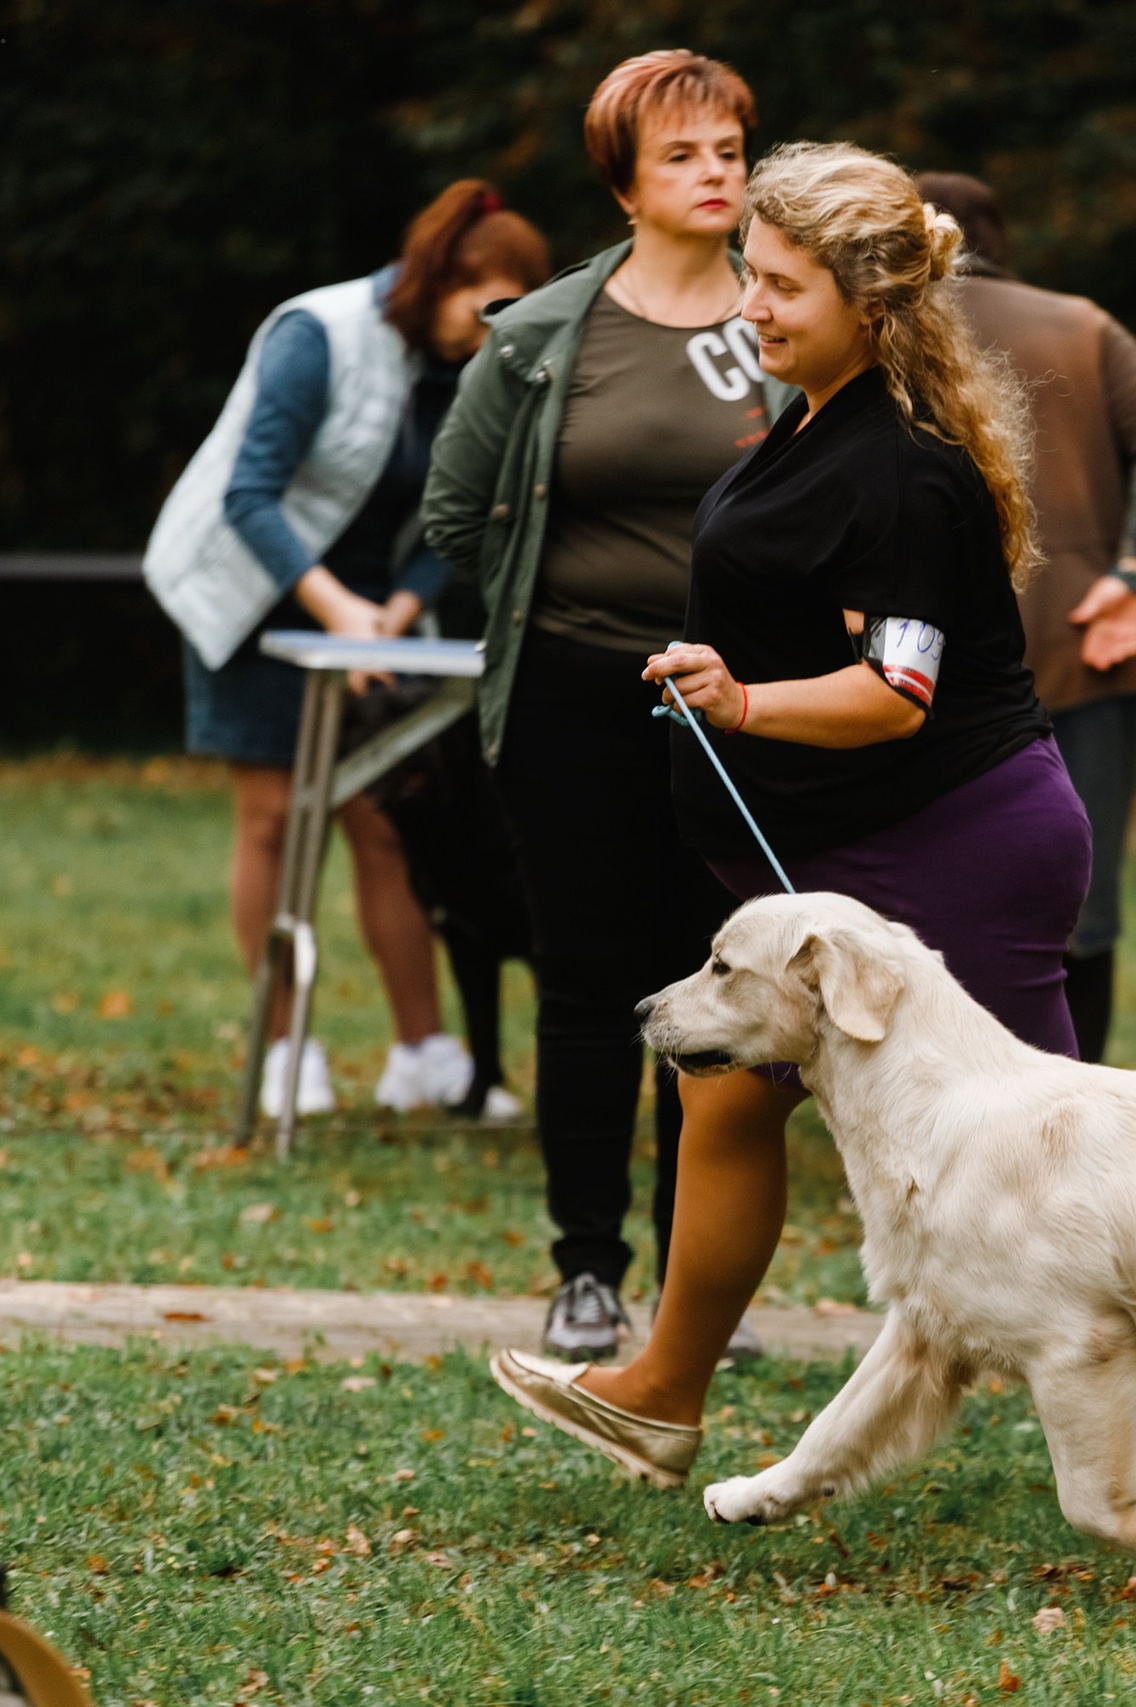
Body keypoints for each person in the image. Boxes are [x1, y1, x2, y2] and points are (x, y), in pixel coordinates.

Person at [489, 142, 1136, 1540]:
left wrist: (740, 698)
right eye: (751, 275)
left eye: (781, 285)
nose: (750, 306)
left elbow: (896, 690)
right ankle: (661, 1389)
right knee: (729, 1098)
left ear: (868, 304)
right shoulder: (821, 416)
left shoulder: (897, 464)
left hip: (952, 851)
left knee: (1058, 1178)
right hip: (852, 852)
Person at [423, 52, 790, 1360]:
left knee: (726, 990)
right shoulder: (538, 337)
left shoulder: (789, 319)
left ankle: (700, 1287)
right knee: (587, 982)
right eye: (682, 154)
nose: (715, 173)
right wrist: (577, 606)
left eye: (729, 150)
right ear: (623, 183)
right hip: (573, 699)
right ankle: (587, 1270)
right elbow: (455, 514)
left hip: (742, 707)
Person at [145, 180, 550, 1119]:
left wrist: (396, 610)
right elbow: (250, 493)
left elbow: (467, 510)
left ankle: (423, 1054)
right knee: (275, 819)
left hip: (374, 611)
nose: (492, 337)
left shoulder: (475, 367)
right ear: (439, 277)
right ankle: (287, 1049)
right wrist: (336, 610)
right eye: (484, 312)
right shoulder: (316, 334)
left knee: (390, 821)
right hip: (257, 594)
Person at [913, 170, 1136, 1064]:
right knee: (1085, 903)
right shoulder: (1083, 324)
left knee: (939, 889)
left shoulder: (887, 325)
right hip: (1086, 644)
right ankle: (1085, 1085)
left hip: (925, 658)